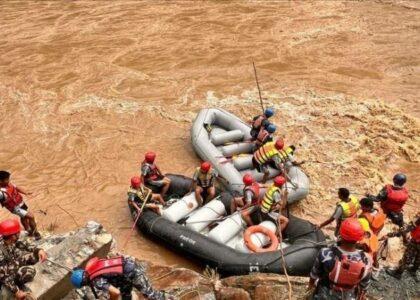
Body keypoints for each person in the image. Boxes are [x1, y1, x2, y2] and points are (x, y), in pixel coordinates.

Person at [308, 218, 372, 300]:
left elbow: (314, 274)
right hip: (349, 296)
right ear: (359, 238)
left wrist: (310, 287)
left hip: (325, 294)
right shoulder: (367, 259)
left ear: (340, 234)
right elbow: (365, 284)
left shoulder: (325, 253)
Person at [70, 255, 171, 300]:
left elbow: (115, 292)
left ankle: (168, 298)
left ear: (84, 283)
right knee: (126, 295)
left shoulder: (97, 281)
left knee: (150, 295)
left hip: (132, 272)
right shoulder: (92, 268)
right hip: (123, 273)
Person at [0, 219, 47, 300]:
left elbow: (23, 244)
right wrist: (16, 291)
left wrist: (38, 250)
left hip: (10, 266)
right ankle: (15, 286)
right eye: (17, 233)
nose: (19, 234)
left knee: (34, 257)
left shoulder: (9, 239)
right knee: (30, 271)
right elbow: (3, 277)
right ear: (12, 236)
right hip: (3, 278)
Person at [0, 171, 41, 240]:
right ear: (0, 181)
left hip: (21, 203)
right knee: (31, 216)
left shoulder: (9, 184)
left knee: (24, 217)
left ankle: (28, 231)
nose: (8, 180)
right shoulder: (1, 193)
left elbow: (17, 188)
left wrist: (26, 192)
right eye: (7, 179)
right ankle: (36, 233)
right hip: (15, 208)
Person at [384, 213, 419, 281]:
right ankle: (413, 270)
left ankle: (398, 273)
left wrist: (391, 234)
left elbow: (406, 229)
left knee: (407, 258)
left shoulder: (418, 220)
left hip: (416, 242)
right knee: (418, 258)